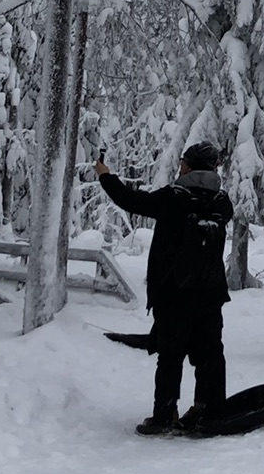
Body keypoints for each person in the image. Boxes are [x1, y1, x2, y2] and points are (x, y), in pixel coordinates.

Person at [95, 141, 234, 436]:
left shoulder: (173, 197)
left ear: (190, 165)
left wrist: (106, 176)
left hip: (174, 292)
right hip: (210, 292)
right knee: (210, 354)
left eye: (183, 161)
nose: (179, 165)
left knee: (170, 356)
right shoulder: (222, 202)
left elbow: (131, 200)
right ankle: (209, 410)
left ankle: (164, 414)